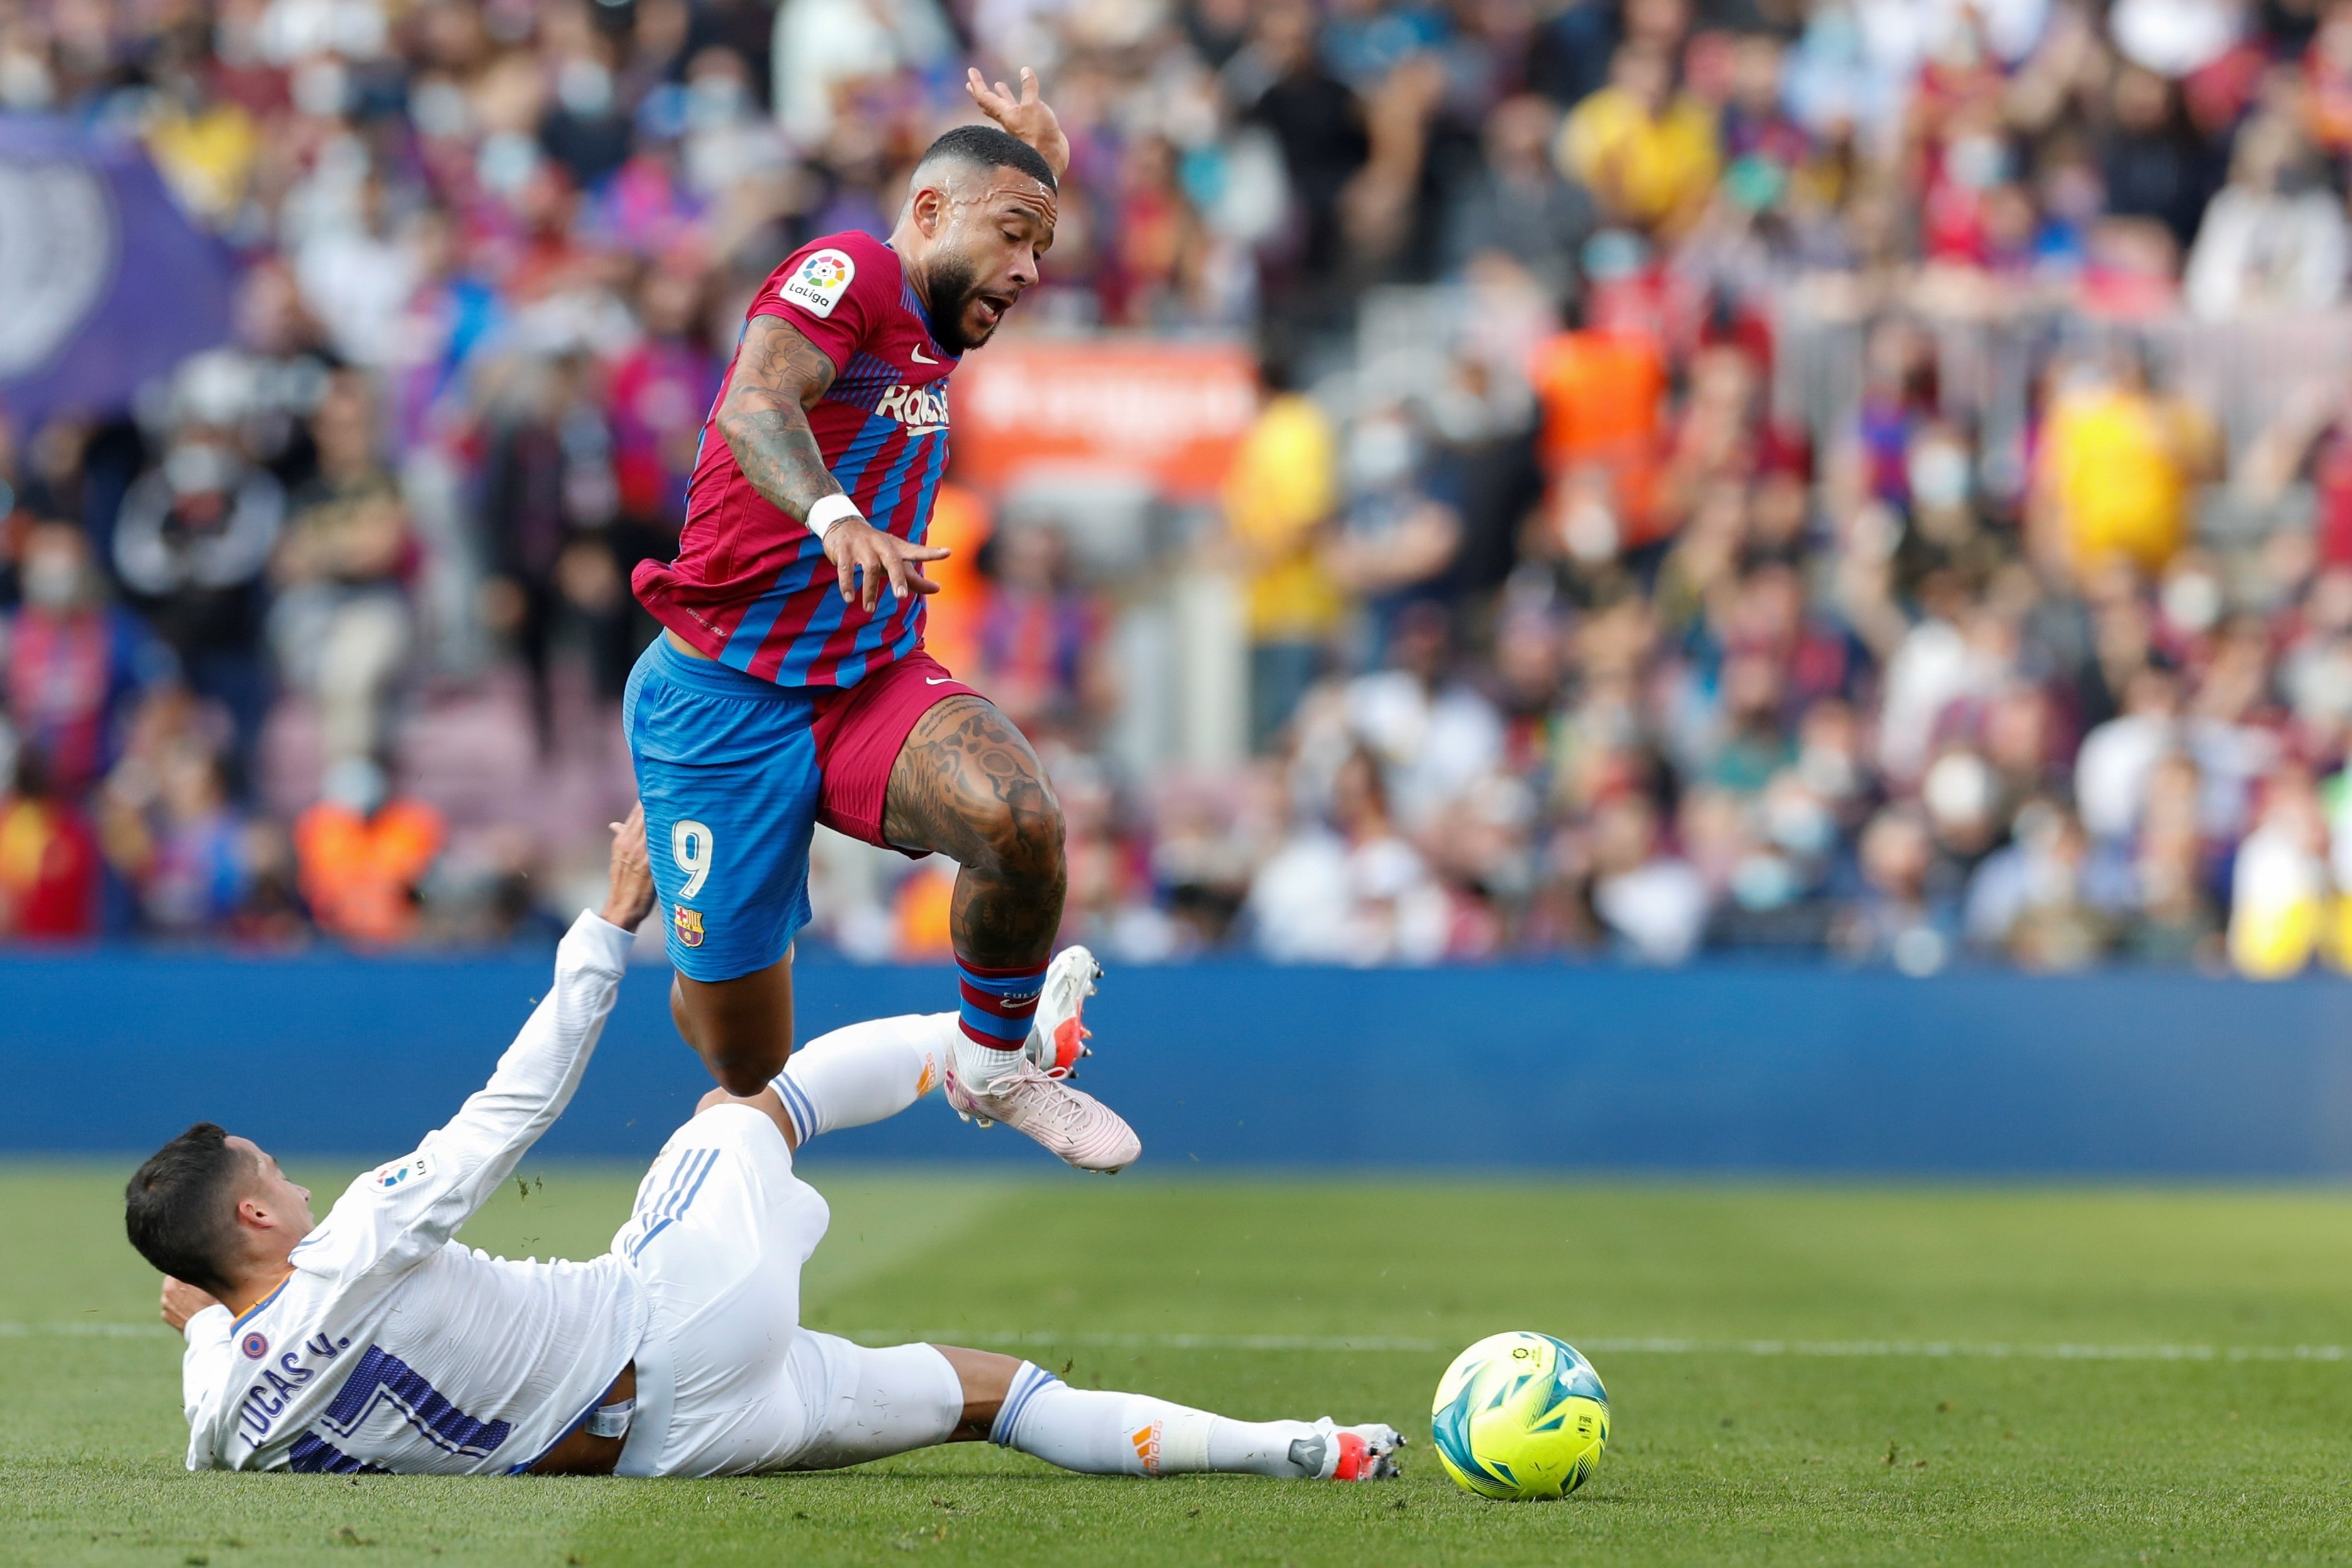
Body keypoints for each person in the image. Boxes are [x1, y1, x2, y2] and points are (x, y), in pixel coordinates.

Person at [128, 809, 1403, 1485]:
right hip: (663, 1320)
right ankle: (988, 1056)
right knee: (745, 1101)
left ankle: (1297, 1443)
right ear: (253, 1222)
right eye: (268, 1175)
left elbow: (215, 1359)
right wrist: (606, 926)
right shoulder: (348, 1246)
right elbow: (507, 1113)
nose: (290, 1178)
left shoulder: (226, 1411)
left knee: (993, 1395)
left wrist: (200, 1314)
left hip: (678, 1442)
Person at [625, 67, 1137, 1172]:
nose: (1029, 270)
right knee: (745, 1061)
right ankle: (687, 907)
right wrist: (833, 513)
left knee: (1022, 821)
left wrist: (1050, 163)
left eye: (1038, 250)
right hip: (720, 703)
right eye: (1013, 235)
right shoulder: (851, 267)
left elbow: (997, 247)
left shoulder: (943, 319)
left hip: (864, 683)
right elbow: (756, 400)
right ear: (928, 212)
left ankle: (995, 1062)